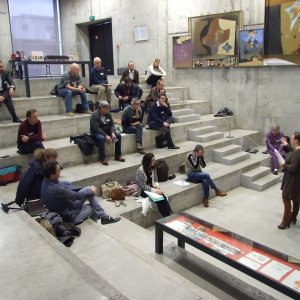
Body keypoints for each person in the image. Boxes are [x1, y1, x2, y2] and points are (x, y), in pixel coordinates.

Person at [41, 160, 121, 225]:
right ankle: (104, 217)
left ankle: (103, 217)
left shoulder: (46, 181)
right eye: (58, 170)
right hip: (68, 214)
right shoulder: (56, 189)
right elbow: (76, 196)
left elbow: (65, 188)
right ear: (52, 175)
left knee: (81, 188)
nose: (60, 170)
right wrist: (90, 190)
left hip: (60, 208)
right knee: (90, 194)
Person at [136, 152, 172, 217]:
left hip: (151, 189)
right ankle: (167, 216)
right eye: (153, 160)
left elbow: (155, 179)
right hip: (143, 191)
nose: (154, 161)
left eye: (154, 159)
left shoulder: (153, 167)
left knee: (162, 196)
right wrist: (155, 191)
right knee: (159, 200)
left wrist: (157, 187)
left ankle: (169, 214)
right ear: (148, 161)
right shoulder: (140, 171)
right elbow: (143, 186)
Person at [90, 100, 125, 165]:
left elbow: (111, 124)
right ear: (101, 108)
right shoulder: (94, 115)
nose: (108, 110)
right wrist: (106, 135)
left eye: (108, 108)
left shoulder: (108, 114)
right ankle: (102, 158)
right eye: (106, 108)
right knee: (101, 138)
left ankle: (118, 156)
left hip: (107, 130)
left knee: (118, 136)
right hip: (96, 132)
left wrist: (112, 133)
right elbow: (96, 128)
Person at [277, 131, 300, 229]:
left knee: (286, 198)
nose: (290, 139)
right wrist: (287, 145)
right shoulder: (297, 149)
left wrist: (284, 165)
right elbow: (294, 149)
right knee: (296, 199)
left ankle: (285, 221)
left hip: (292, 179)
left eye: (292, 138)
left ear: (296, 140)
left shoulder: (298, 152)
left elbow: (293, 168)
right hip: (297, 179)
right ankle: (293, 217)